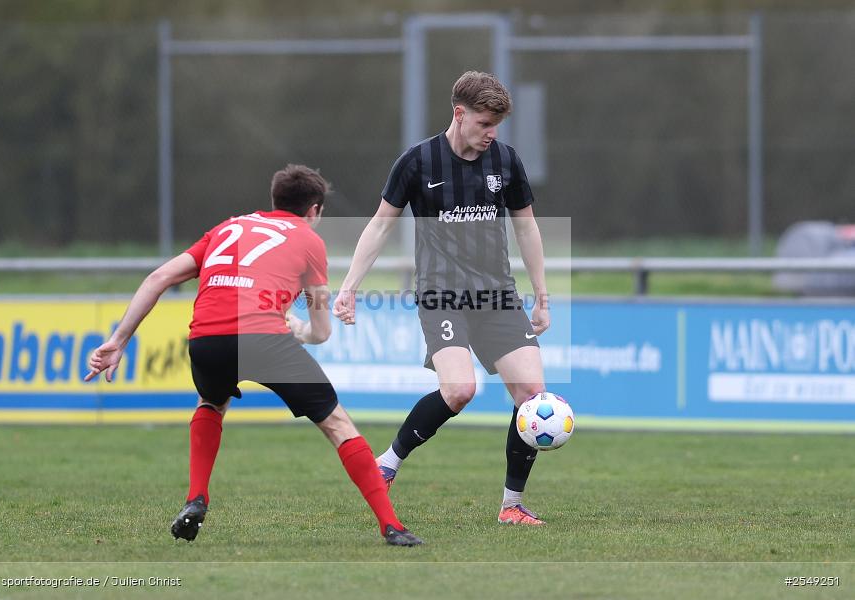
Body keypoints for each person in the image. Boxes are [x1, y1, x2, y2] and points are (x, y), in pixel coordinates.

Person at [85, 164, 422, 546]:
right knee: (338, 424)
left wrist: (119, 339)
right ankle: (391, 525)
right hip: (263, 338)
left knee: (211, 403)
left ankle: (197, 497)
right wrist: (299, 330)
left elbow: (158, 278)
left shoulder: (227, 228)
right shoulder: (309, 241)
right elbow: (322, 330)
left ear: (275, 200)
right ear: (314, 210)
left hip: (207, 339)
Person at [333, 71, 551, 526]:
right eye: (485, 124)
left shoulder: (506, 162)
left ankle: (512, 505)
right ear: (459, 113)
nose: (492, 134)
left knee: (532, 396)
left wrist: (542, 296)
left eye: (497, 126)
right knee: (459, 390)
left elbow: (527, 227)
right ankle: (387, 464)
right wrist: (349, 288)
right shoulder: (417, 162)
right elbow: (379, 225)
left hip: (497, 294)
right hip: (442, 293)